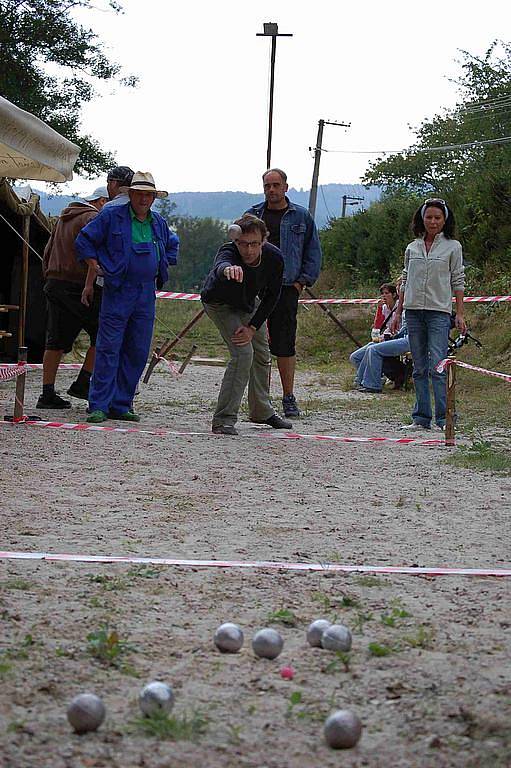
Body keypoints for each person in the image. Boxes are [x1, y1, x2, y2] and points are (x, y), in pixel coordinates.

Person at [75, 171, 179, 424]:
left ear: (154, 198)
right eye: (140, 194)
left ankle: (121, 404)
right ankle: (98, 405)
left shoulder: (159, 222)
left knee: (137, 349)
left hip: (146, 292)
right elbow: (84, 240)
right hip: (118, 289)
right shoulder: (111, 216)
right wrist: (94, 265)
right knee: (108, 348)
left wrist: (162, 262)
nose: (144, 199)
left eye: (149, 195)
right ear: (130, 195)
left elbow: (173, 243)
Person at [201, 214, 292, 436]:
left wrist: (252, 328)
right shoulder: (228, 252)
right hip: (219, 303)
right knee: (243, 354)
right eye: (243, 244)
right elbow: (221, 264)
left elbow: (272, 296)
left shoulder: (274, 258)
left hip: (247, 303)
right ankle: (223, 419)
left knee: (262, 353)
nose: (249, 250)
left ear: (264, 241)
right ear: (236, 241)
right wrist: (227, 269)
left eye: (254, 244)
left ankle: (261, 410)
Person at [245, 168, 322, 419]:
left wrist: (302, 283)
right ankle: (260, 399)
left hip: (287, 287)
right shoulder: (253, 215)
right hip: (255, 287)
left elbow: (313, 251)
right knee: (254, 342)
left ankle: (288, 397)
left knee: (285, 344)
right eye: (267, 186)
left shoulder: (301, 216)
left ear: (286, 187)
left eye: (276, 185)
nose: (272, 190)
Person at [391, 198, 466, 431]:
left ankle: (444, 418)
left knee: (438, 365)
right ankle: (421, 417)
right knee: (419, 366)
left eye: (437, 217)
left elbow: (458, 280)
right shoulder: (412, 247)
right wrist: (398, 311)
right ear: (422, 219)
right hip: (413, 312)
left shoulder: (453, 247)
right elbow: (405, 279)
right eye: (429, 217)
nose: (433, 222)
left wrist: (460, 313)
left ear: (445, 220)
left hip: (438, 313)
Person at [36, 185, 109, 409]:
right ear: (101, 201)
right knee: (103, 333)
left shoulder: (63, 217)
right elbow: (91, 253)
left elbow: (47, 251)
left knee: (55, 340)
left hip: (54, 282)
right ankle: (83, 382)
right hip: (78, 284)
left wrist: (49, 277)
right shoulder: (92, 217)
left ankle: (46, 393)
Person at [350, 283, 399, 378]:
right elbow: (377, 326)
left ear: (393, 295)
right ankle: (373, 377)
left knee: (371, 350)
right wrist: (379, 309)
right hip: (384, 338)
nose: (384, 296)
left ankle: (366, 380)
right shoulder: (385, 307)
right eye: (382, 293)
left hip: (394, 338)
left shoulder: (400, 308)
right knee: (355, 357)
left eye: (387, 293)